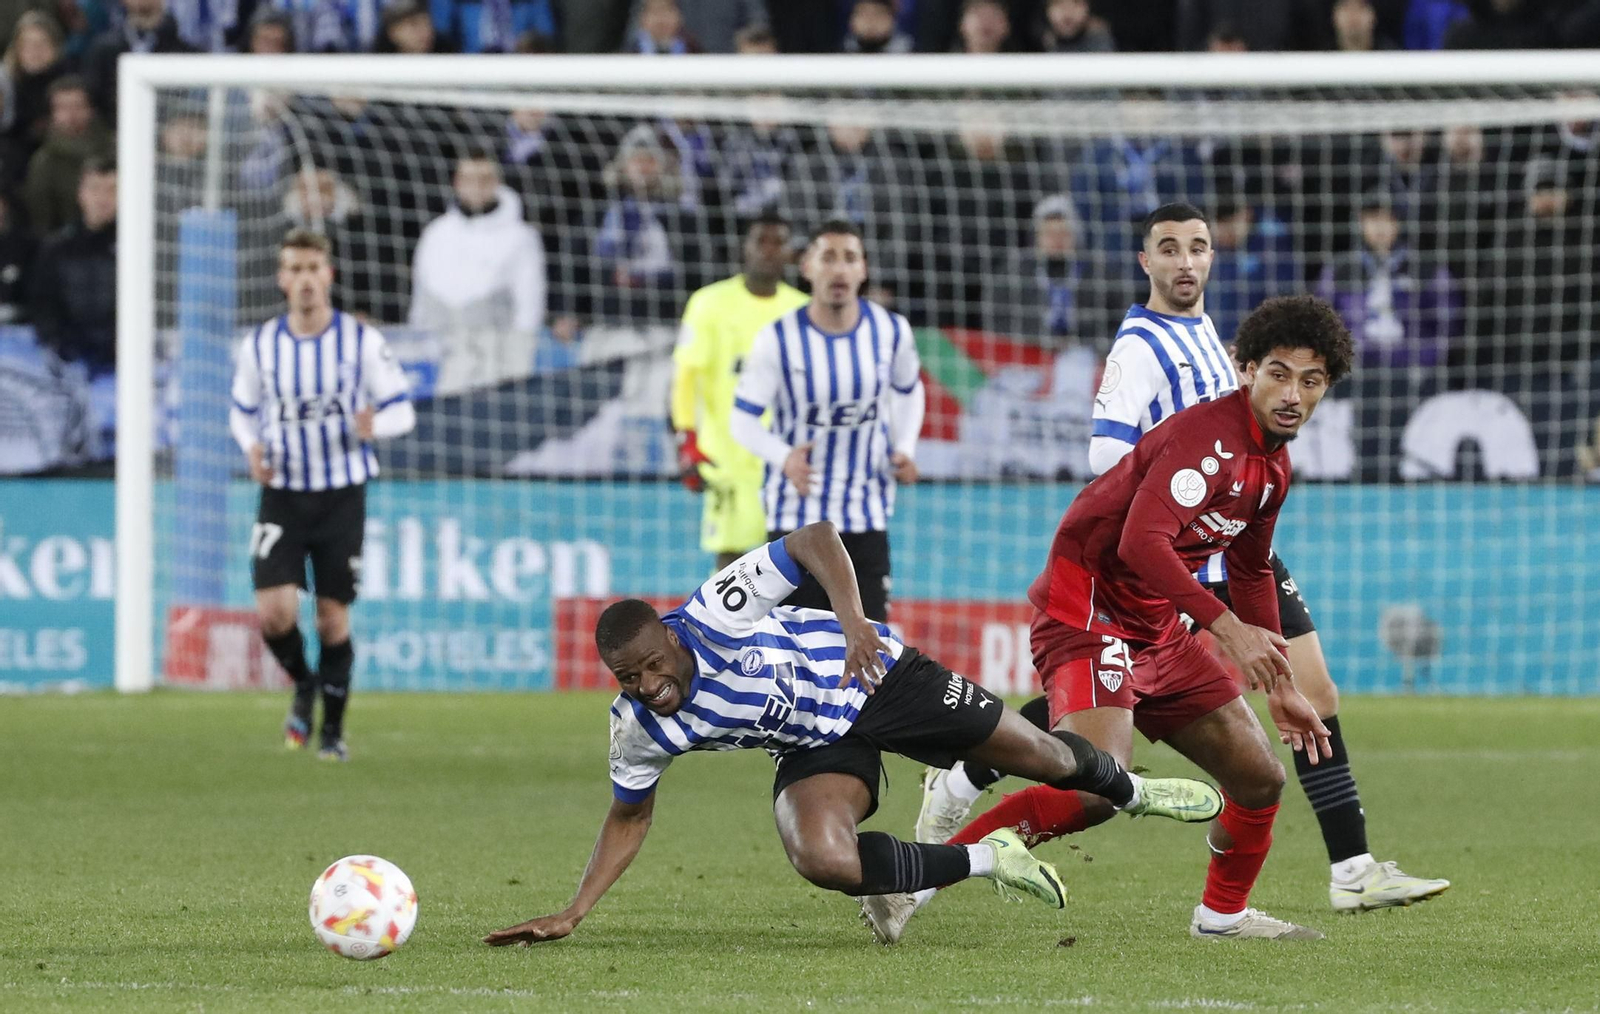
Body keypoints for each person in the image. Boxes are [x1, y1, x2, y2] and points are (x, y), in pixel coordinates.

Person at [919, 204, 1449, 919]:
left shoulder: (1246, 410)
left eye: (1198, 247)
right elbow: (1111, 467)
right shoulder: (1142, 350)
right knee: (1097, 775)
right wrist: (1182, 521)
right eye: (1169, 248)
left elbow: (1254, 564)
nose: (1186, 261)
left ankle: (1287, 890)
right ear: (1146, 261)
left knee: (1276, 736)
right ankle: (942, 829)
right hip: (1138, 567)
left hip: (1204, 545)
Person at [482, 521, 1225, 947]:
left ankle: (1131, 790)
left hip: (872, 675)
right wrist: (574, 911)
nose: (647, 686)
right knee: (821, 858)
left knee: (1047, 756)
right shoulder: (637, 727)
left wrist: (849, 618)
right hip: (814, 745)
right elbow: (629, 815)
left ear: (671, 641)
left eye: (651, 667)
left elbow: (812, 539)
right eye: (628, 678)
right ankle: (989, 860)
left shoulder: (716, 611)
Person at [874, 295, 1352, 946]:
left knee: (1260, 776)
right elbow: (1139, 544)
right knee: (1098, 787)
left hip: (1155, 622)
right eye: (1278, 372)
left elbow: (1251, 567)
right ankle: (913, 879)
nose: (1293, 392)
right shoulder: (1207, 440)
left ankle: (1222, 917)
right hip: (1088, 607)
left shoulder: (1273, 466)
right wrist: (1226, 629)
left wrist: (1285, 685)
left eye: (1311, 379)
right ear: (1246, 370)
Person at [228, 229, 416, 761]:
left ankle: (331, 731)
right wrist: (251, 447)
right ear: (281, 278)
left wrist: (375, 423)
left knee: (331, 617)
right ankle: (304, 683)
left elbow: (403, 408)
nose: (306, 279)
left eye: (314, 268)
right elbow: (242, 412)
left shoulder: (359, 341)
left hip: (340, 495)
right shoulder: (261, 345)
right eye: (296, 269)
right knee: (274, 614)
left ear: (328, 275)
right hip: (283, 494)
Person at [730, 218, 921, 623]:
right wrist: (784, 457)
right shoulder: (777, 338)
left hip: (865, 516)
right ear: (807, 268)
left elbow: (908, 390)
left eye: (849, 258)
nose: (838, 269)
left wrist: (904, 447)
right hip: (794, 521)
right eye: (827, 257)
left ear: (863, 270)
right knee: (793, 658)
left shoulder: (890, 331)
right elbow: (742, 420)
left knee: (870, 652)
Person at [671, 211, 809, 570]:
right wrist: (686, 440)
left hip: (782, 456)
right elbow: (685, 376)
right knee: (730, 563)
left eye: (778, 242)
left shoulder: (800, 310)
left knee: (788, 561)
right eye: (760, 241)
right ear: (744, 248)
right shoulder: (709, 303)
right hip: (726, 457)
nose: (768, 250)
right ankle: (724, 629)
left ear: (790, 252)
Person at [409, 146, 547, 389]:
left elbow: (530, 306)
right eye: (469, 179)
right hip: (444, 357)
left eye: (484, 179)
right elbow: (421, 302)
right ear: (457, 182)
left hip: (497, 356)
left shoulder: (520, 237)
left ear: (496, 182)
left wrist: (518, 366)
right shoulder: (437, 233)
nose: (477, 186)